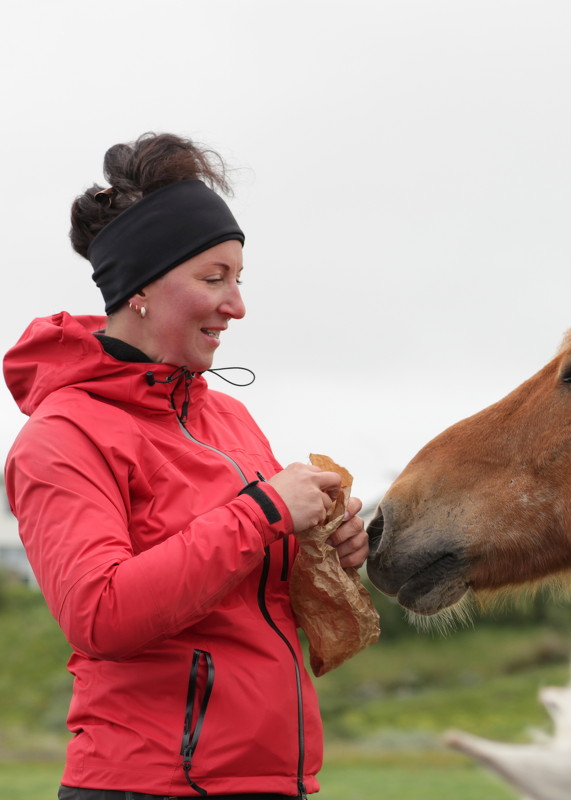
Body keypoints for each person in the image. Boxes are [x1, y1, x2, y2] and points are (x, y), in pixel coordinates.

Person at [4, 132, 369, 799]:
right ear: (141, 287)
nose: (237, 305)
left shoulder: (228, 418)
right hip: (148, 785)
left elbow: (248, 580)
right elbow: (100, 613)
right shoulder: (60, 437)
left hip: (270, 781)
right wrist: (264, 512)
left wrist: (328, 542)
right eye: (214, 278)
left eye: (238, 278)